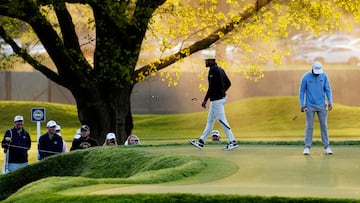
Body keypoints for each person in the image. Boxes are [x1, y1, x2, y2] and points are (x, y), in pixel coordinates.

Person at [190, 50, 238, 150]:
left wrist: (205, 100)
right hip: (217, 99)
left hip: (216, 101)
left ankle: (232, 141)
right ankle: (201, 142)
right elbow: (228, 83)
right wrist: (222, 92)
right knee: (210, 121)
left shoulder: (213, 70)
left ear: (211, 60)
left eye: (206, 61)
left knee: (222, 121)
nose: (205, 63)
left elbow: (211, 88)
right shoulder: (220, 69)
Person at [299, 61, 333, 155]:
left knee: (324, 126)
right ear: (312, 69)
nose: (317, 73)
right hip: (309, 106)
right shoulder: (306, 77)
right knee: (309, 126)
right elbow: (302, 92)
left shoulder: (324, 76)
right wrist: (302, 104)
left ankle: (327, 147)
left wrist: (330, 102)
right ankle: (307, 147)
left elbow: (328, 89)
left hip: (322, 105)